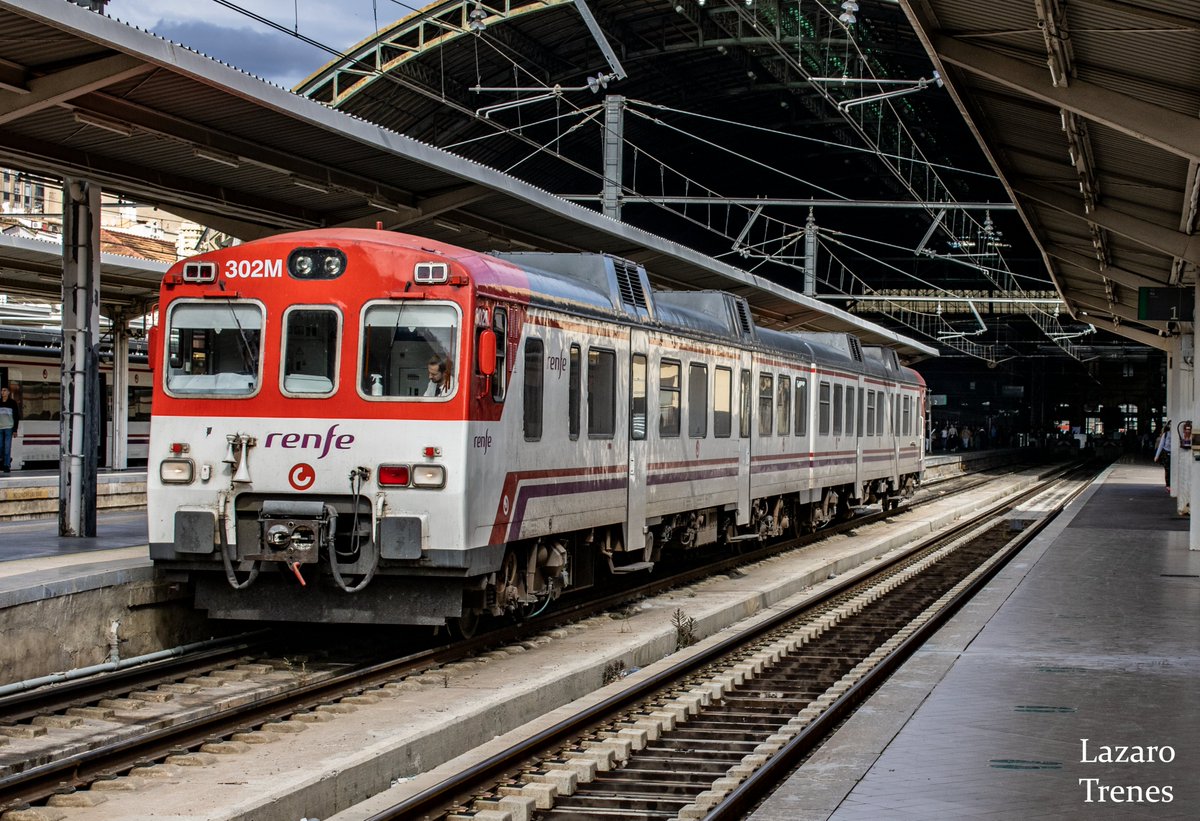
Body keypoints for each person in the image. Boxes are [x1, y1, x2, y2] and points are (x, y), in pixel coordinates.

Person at [0, 385, 19, 472]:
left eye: (4, 390)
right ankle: (6, 459)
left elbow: (16, 416)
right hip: (0, 428)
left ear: (8, 392)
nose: (2, 392)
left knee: (7, 447)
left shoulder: (12, 403)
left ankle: (6, 465)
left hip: (9, 428)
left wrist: (15, 429)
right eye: (2, 391)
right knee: (0, 446)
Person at [1154, 422, 1172, 492]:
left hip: (1174, 454)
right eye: (1170, 425)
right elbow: (1161, 445)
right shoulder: (1166, 434)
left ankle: (1171, 484)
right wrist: (1157, 456)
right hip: (1166, 454)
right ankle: (1168, 485)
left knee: (1172, 470)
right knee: (1167, 470)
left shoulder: (1177, 434)